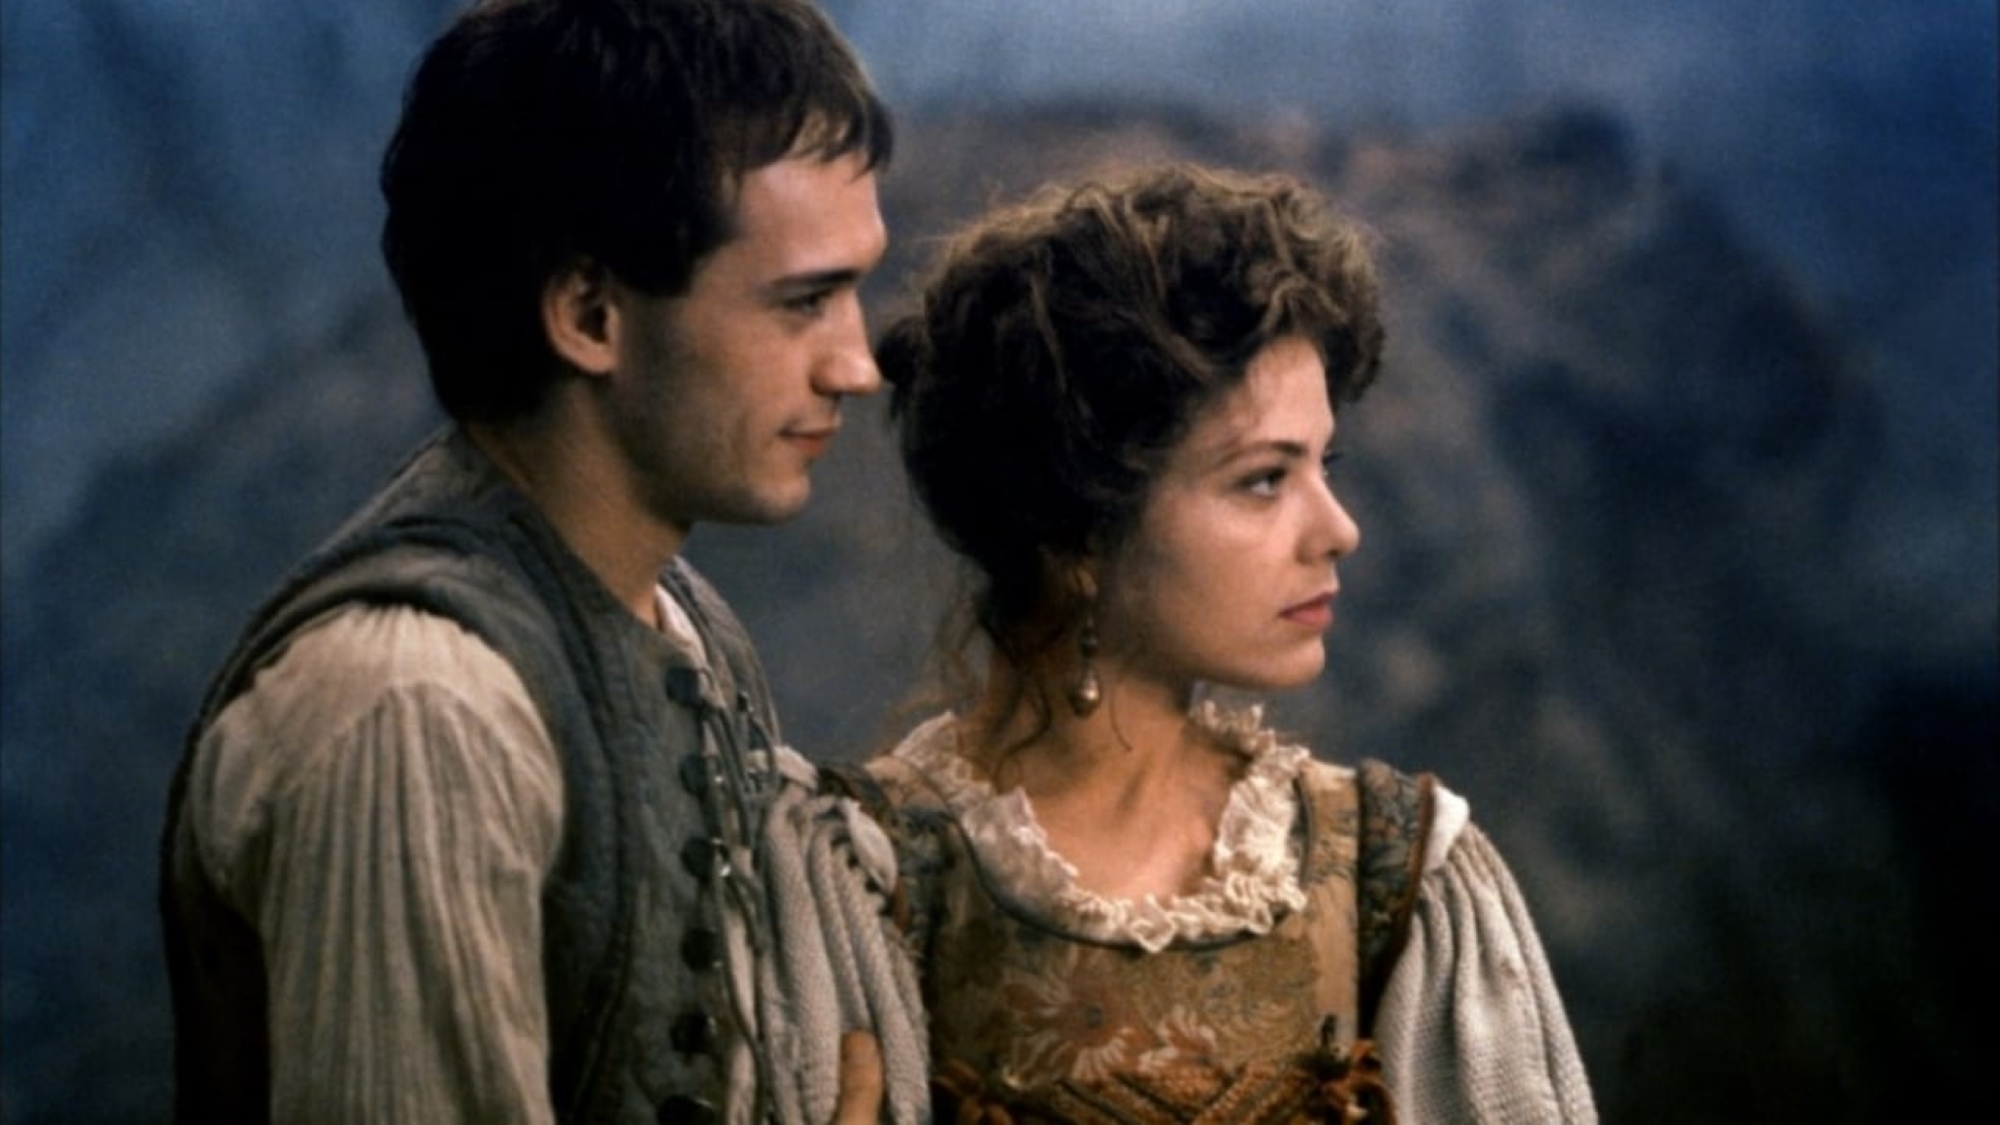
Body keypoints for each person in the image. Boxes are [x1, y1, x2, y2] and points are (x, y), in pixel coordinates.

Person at [157, 1, 926, 1121]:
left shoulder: (681, 618)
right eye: (803, 301)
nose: (855, 365)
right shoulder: (417, 713)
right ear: (590, 315)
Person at [844, 164, 1597, 1122]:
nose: (1339, 529)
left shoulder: (1388, 871)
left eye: (1323, 465)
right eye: (1263, 479)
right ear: (1077, 532)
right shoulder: (872, 882)